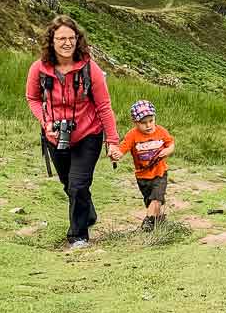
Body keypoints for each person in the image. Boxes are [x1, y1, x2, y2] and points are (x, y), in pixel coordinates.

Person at [26, 16, 120, 249]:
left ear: (78, 40)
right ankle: (87, 214)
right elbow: (33, 98)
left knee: (78, 185)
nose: (67, 43)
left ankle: (78, 236)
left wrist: (113, 141)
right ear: (52, 41)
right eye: (61, 38)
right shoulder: (38, 69)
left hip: (88, 134)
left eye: (71, 38)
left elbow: (104, 106)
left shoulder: (90, 68)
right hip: (54, 136)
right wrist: (46, 122)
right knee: (69, 185)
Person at [110, 100, 175, 232]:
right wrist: (116, 154)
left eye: (151, 121)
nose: (148, 125)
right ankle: (159, 220)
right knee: (150, 201)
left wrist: (167, 151)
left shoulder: (161, 131)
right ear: (135, 122)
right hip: (142, 176)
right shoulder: (132, 135)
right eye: (143, 123)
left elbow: (171, 144)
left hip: (160, 172)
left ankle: (147, 224)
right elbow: (122, 149)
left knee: (157, 198)